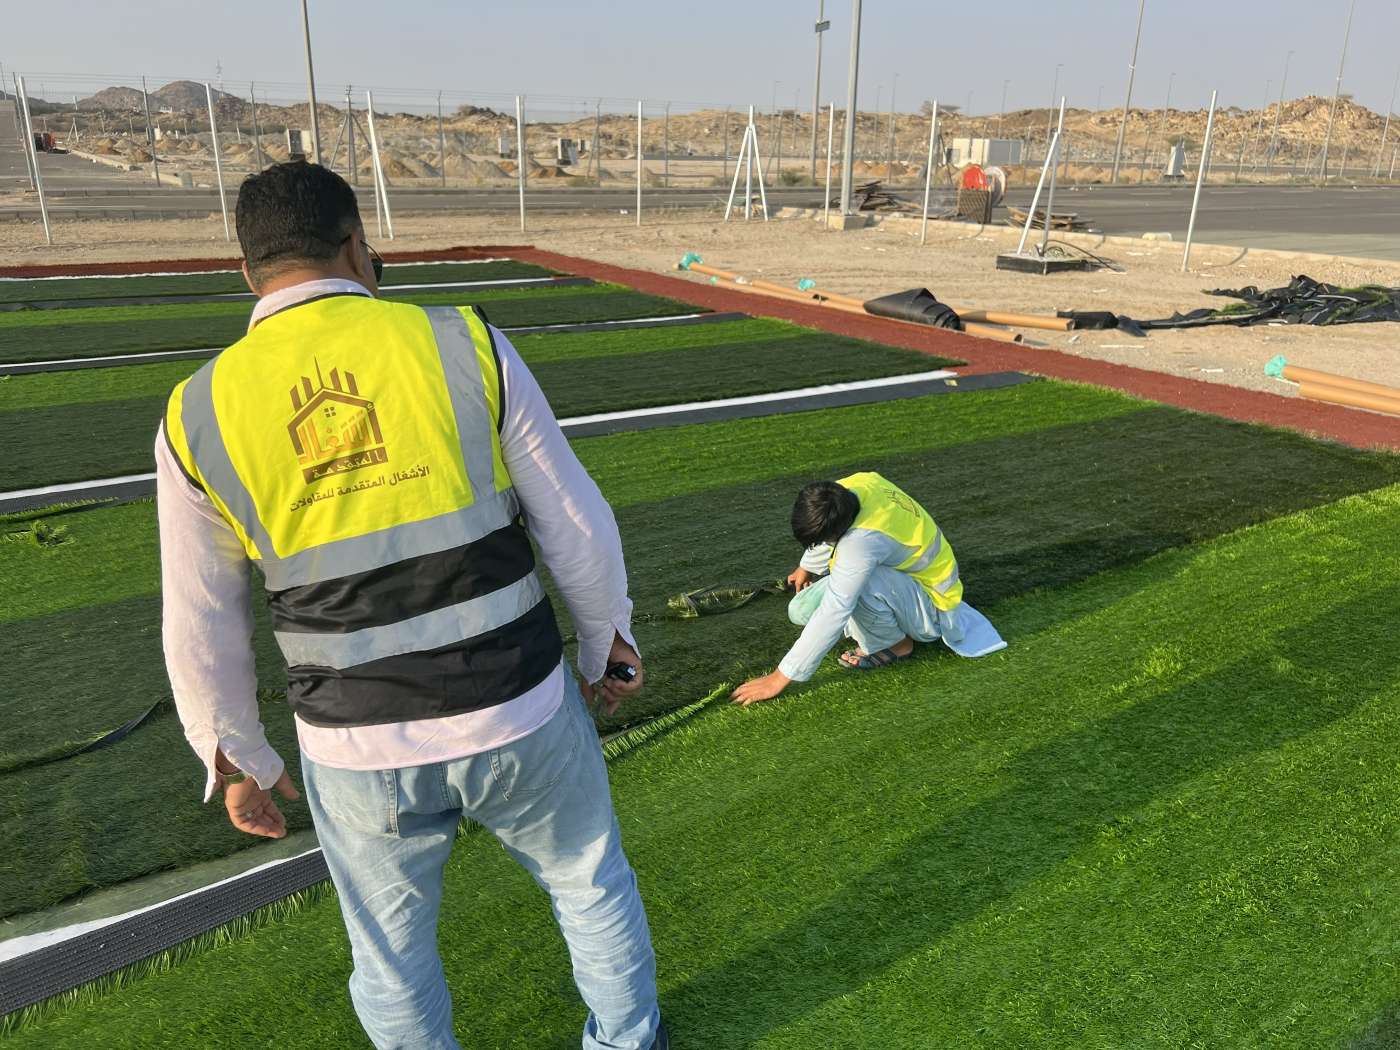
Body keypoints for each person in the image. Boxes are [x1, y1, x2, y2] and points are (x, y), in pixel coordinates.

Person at [156, 161, 666, 1050]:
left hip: (354, 744)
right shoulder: (462, 341)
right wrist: (606, 645)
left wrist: (237, 757)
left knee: (388, 955)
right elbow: (572, 519)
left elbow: (200, 616)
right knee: (589, 884)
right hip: (516, 704)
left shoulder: (196, 411)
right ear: (357, 245)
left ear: (247, 272)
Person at [731, 471, 1006, 706]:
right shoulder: (851, 487)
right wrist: (807, 566)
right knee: (800, 610)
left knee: (857, 590)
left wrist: (780, 677)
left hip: (934, 605)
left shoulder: (860, 546)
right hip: (901, 579)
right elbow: (830, 527)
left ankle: (897, 645)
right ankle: (879, 623)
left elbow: (836, 609)